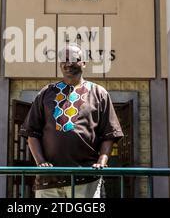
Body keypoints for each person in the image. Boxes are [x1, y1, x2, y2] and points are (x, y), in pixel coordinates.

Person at [19, 43, 124, 198]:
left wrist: (102, 161)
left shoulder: (99, 93)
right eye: (64, 59)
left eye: (74, 59)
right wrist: (41, 162)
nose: (68, 63)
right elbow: (32, 133)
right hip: (49, 181)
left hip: (86, 178)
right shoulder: (46, 93)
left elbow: (109, 133)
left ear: (84, 63)